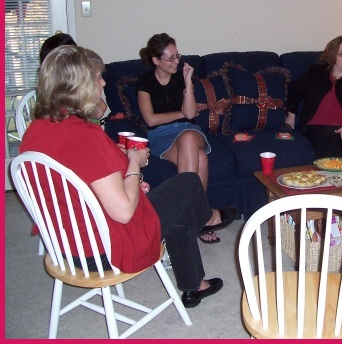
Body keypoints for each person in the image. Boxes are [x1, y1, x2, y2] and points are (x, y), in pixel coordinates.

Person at [20, 45, 238, 308]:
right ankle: (208, 218)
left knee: (176, 202)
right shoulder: (86, 136)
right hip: (103, 249)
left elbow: (75, 180)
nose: (103, 83)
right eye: (97, 78)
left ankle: (194, 286)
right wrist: (134, 163)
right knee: (189, 183)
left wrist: (125, 171)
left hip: (64, 244)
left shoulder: (37, 129)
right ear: (79, 87)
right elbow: (123, 212)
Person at [137, 33, 218, 244]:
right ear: (156, 60)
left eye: (177, 56)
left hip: (189, 130)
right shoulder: (144, 81)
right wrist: (180, 113)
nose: (177, 62)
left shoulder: (182, 78)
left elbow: (190, 114)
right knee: (201, 159)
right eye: (171, 58)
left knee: (189, 138)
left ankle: (184, 219)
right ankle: (199, 220)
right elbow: (150, 119)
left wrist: (188, 81)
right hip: (160, 136)